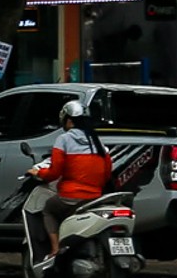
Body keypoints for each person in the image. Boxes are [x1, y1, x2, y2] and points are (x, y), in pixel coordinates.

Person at [26, 100, 112, 266]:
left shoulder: (64, 139)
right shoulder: (97, 141)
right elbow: (107, 172)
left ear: (69, 120)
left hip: (71, 196)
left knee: (49, 209)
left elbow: (54, 172)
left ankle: (55, 249)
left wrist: (38, 173)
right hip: (95, 197)